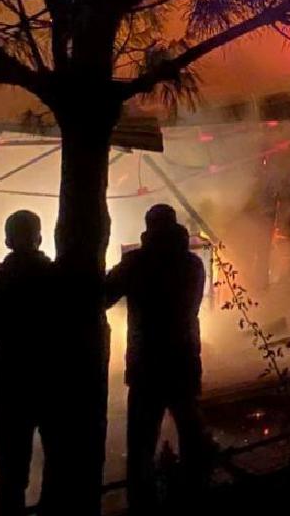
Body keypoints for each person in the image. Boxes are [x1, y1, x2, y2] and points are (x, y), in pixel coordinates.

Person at [105, 204, 208, 511]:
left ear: (148, 229)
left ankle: (141, 504)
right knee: (191, 435)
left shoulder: (136, 263)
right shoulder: (192, 265)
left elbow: (104, 295)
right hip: (183, 361)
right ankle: (195, 495)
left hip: (146, 365)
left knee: (140, 446)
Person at [0, 209, 58, 516]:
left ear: (7, 240)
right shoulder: (58, 280)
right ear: (40, 238)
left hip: (9, 388)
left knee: (11, 477)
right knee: (59, 469)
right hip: (53, 384)